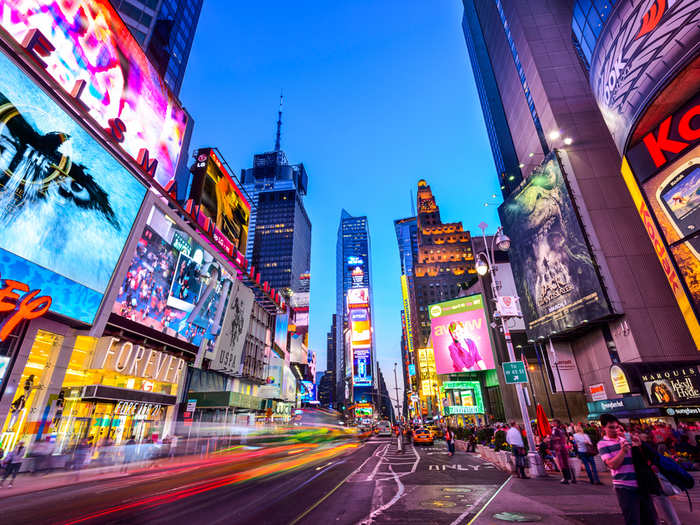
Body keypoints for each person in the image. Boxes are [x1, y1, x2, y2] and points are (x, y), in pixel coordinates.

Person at [597, 414, 658, 525]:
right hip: (624, 487)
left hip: (641, 483)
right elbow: (612, 465)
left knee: (651, 519)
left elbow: (647, 458)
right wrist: (623, 451)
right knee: (633, 520)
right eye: (611, 427)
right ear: (603, 428)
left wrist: (640, 445)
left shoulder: (626, 439)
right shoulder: (602, 444)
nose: (615, 430)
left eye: (616, 427)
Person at [551, 420, 574, 484]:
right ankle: (569, 477)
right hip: (564, 447)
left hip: (559, 448)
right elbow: (565, 437)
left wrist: (552, 438)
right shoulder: (561, 429)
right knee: (565, 463)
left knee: (562, 463)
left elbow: (557, 437)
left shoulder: (555, 430)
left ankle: (566, 478)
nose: (552, 423)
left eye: (553, 422)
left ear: (556, 423)